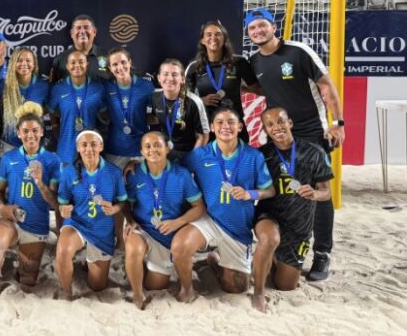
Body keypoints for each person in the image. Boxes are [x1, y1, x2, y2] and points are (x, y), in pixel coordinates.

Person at [246, 7, 344, 282]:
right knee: (282, 189)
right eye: (252, 28)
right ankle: (285, 244)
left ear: (273, 26)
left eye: (262, 25)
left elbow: (327, 86)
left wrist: (338, 123)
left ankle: (322, 252)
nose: (258, 31)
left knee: (319, 192)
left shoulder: (298, 51)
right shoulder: (254, 61)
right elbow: (259, 88)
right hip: (279, 133)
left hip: (311, 132)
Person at [171, 108, 274, 302]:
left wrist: (250, 193)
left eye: (231, 122)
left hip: (237, 227)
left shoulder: (254, 156)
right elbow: (170, 169)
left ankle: (215, 263)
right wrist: (136, 164)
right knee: (179, 248)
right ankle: (187, 289)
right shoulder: (199, 155)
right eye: (219, 122)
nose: (225, 126)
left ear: (240, 127)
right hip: (208, 218)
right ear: (212, 127)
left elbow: (270, 190)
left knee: (236, 287)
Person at [252, 107, 333, 312]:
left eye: (280, 121)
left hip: (299, 226)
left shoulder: (315, 152)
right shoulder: (262, 155)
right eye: (270, 124)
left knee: (285, 285)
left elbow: (326, 192)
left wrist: (315, 194)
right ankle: (258, 293)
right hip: (270, 216)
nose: (276, 127)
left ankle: (270, 258)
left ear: (290, 123)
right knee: (270, 239)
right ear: (265, 130)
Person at [0, 102, 61, 299]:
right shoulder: (8, 158)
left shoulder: (52, 160)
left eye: (35, 130)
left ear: (42, 132)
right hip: (11, 219)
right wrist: (2, 206)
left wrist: (40, 182)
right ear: (18, 133)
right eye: (25, 131)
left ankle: (19, 263)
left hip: (36, 225)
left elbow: (54, 203)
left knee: (28, 279)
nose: (30, 135)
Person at [123, 131, 205, 309]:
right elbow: (125, 204)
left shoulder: (181, 174)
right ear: (142, 152)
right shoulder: (134, 173)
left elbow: (199, 207)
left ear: (167, 148)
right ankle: (137, 295)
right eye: (147, 146)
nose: (152, 150)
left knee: (156, 286)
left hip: (168, 236)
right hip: (143, 228)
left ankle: (143, 266)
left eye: (157, 145)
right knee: (133, 248)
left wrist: (178, 222)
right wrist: (129, 219)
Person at [55, 130, 127, 301]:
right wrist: (64, 209)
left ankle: (87, 262)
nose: (89, 149)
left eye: (93, 144)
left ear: (101, 146)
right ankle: (67, 294)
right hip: (77, 223)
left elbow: (123, 202)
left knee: (97, 286)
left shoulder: (114, 172)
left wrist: (114, 209)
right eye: (84, 145)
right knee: (63, 251)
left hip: (102, 228)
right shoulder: (69, 172)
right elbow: (62, 202)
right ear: (78, 148)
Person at [184, 21, 260, 143]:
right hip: (207, 129)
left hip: (234, 126)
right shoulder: (194, 67)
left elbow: (258, 88)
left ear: (224, 39)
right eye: (209, 34)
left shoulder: (239, 63)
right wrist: (201, 101)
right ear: (203, 40)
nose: (213, 37)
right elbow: (184, 100)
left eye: (218, 34)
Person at [48, 50, 106, 164]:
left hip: (90, 151)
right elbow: (52, 111)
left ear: (87, 64)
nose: (77, 65)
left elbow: (105, 115)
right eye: (73, 62)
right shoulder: (58, 89)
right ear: (67, 66)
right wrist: (55, 126)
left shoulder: (98, 88)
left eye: (81, 62)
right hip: (66, 150)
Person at [102, 47, 155, 170]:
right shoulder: (106, 88)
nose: (120, 67)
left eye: (123, 62)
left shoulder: (146, 86)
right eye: (115, 64)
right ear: (110, 68)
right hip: (115, 150)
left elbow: (156, 115)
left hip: (141, 150)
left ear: (130, 62)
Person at [150, 58, 209, 162]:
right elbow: (156, 118)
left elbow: (203, 136)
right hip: (164, 151)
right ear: (159, 78)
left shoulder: (194, 102)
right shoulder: (155, 96)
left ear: (182, 79)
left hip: (188, 154)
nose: (170, 78)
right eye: (165, 74)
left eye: (174, 74)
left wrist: (193, 160)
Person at [0, 47, 50, 156]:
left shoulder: (43, 86)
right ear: (13, 63)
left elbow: (48, 111)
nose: (24, 64)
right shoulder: (4, 86)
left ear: (34, 64)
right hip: (9, 144)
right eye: (19, 60)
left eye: (28, 60)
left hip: (34, 144)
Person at [49, 14, 109, 83]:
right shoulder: (60, 60)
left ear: (94, 32)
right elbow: (53, 87)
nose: (82, 31)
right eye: (78, 28)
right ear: (72, 33)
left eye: (86, 27)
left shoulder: (107, 56)